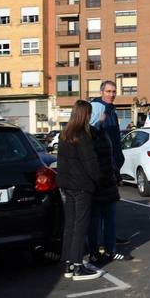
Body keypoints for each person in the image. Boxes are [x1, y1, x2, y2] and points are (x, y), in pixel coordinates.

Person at [56, 100, 103, 281]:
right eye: (89, 114)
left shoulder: (64, 134)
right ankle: (77, 266)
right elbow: (91, 164)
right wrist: (98, 181)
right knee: (80, 226)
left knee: (70, 225)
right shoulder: (83, 135)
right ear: (86, 114)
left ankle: (68, 264)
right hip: (82, 186)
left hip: (67, 185)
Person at [87, 110, 130, 265]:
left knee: (110, 220)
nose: (105, 118)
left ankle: (111, 251)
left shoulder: (104, 133)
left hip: (108, 183)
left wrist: (117, 176)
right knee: (94, 222)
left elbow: (110, 158)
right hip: (96, 185)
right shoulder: (88, 135)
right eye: (102, 115)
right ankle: (94, 252)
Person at [90, 81, 129, 246]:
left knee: (109, 204)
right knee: (100, 206)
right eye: (108, 91)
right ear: (101, 92)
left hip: (112, 161)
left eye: (114, 91)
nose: (111, 94)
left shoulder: (112, 110)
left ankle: (109, 237)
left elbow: (114, 138)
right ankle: (97, 241)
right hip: (103, 162)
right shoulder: (97, 108)